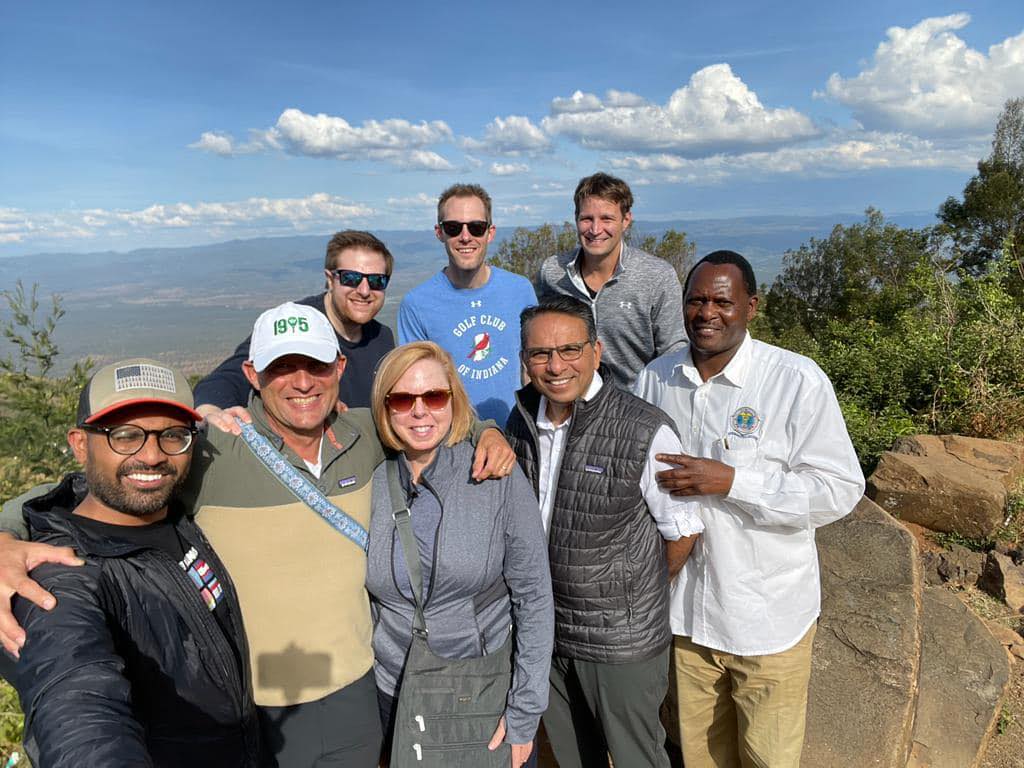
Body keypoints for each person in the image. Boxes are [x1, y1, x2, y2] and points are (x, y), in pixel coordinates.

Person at [0, 303, 516, 768]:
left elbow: (429, 417)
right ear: (252, 374)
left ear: (339, 368)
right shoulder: (213, 448)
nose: (302, 382)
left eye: (316, 365)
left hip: (355, 694)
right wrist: (4, 535)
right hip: (251, 709)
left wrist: (485, 431)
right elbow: (108, 484)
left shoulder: (367, 434)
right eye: (281, 368)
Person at [632, 250, 865, 768]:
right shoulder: (655, 378)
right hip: (685, 619)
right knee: (699, 757)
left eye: (722, 301)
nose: (706, 312)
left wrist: (734, 480)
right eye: (695, 300)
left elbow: (839, 487)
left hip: (767, 618)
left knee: (767, 758)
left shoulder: (795, 381)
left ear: (751, 306)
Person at [10, 358, 262, 767]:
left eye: (173, 435)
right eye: (124, 436)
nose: (152, 455)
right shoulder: (62, 575)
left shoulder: (176, 512)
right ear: (79, 444)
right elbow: (77, 702)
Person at [505, 296, 704, 768]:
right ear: (524, 360)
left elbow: (683, 531)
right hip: (547, 635)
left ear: (596, 351)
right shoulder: (521, 422)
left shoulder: (644, 429)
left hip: (620, 643)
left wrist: (634, 594)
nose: (555, 366)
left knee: (637, 756)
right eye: (540, 354)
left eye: (570, 349)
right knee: (574, 758)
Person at [367, 341, 553, 768]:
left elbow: (535, 597)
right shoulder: (371, 484)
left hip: (481, 691)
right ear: (385, 406)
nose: (420, 411)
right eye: (402, 399)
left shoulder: (493, 475)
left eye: (434, 396)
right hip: (394, 691)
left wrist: (525, 711)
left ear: (453, 400)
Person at [194, 229, 396, 413]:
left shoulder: (382, 338)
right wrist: (210, 412)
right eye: (351, 278)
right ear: (329, 279)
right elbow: (227, 379)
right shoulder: (297, 323)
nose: (364, 290)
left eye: (376, 281)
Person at [397, 183, 537, 424]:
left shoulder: (520, 290)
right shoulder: (416, 305)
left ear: (490, 233)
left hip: (519, 436)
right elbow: (415, 385)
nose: (465, 237)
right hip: (453, 442)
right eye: (453, 227)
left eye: (476, 227)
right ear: (439, 233)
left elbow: (534, 365)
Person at [536, 172, 686, 389]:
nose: (596, 230)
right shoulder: (553, 273)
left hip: (637, 406)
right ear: (576, 219)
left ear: (626, 220)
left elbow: (673, 352)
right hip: (570, 407)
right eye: (587, 219)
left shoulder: (657, 277)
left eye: (607, 219)